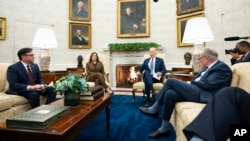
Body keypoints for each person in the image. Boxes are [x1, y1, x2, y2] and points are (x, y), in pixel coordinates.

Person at [138, 48, 232, 138]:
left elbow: (207, 84)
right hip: (197, 90)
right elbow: (198, 80)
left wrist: (187, 83)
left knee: (171, 81)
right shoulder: (207, 67)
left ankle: (154, 108)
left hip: (204, 95)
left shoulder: (222, 68)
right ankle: (164, 128)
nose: (199, 59)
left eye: (200, 57)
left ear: (206, 58)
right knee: (170, 93)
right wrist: (188, 84)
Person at [183, 86, 250, 141]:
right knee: (172, 94)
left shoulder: (222, 69)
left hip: (203, 92)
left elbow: (208, 84)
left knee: (230, 93)